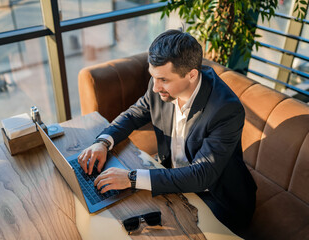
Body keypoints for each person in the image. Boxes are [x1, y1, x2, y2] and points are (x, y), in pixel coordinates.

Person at [78, 29, 257, 236]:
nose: (155, 88)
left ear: (191, 75)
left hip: (216, 197)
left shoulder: (226, 110)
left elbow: (202, 175)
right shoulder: (159, 85)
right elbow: (134, 114)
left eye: (163, 80)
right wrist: (103, 142)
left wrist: (132, 178)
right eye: (153, 77)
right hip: (172, 178)